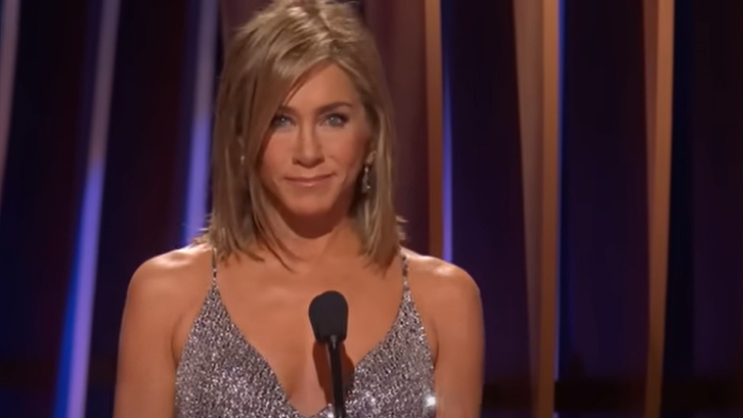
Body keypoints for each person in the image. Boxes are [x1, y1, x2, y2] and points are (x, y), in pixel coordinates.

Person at [112, 0, 484, 417]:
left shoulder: (445, 302)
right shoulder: (164, 296)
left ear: (372, 137)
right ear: (241, 141)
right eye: (280, 121)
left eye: (333, 119)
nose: (308, 152)